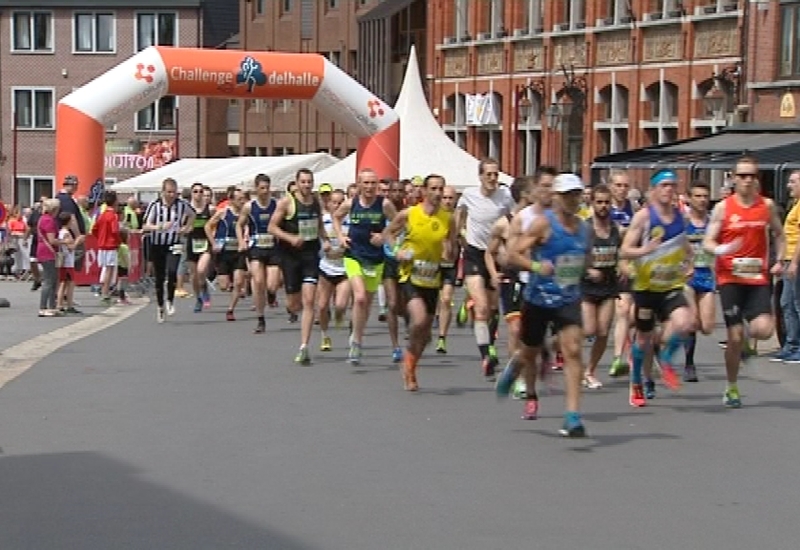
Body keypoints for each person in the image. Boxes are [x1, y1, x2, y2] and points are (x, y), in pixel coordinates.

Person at [506, 173, 589, 437]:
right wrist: (535, 266)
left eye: (576, 195)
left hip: (568, 298)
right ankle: (517, 365)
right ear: (556, 198)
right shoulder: (544, 224)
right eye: (567, 196)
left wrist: (586, 269)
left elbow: (585, 258)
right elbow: (513, 253)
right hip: (539, 298)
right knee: (530, 351)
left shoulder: (583, 228)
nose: (573, 200)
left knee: (573, 350)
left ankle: (572, 416)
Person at [708, 156, 784, 408]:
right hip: (729, 278)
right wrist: (722, 250)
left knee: (764, 330)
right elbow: (708, 241)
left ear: (757, 179)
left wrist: (780, 260)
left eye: (752, 175)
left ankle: (744, 344)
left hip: (757, 278)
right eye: (742, 176)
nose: (747, 180)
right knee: (735, 335)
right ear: (734, 178)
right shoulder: (723, 208)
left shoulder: (767, 206)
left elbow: (779, 234)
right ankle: (731, 386)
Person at [620, 169, 694, 407]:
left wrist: (689, 263)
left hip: (670, 285)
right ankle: (637, 383)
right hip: (645, 289)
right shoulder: (643, 217)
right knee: (643, 339)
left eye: (672, 185)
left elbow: (685, 246)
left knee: (685, 322)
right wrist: (645, 251)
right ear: (653, 190)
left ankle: (666, 359)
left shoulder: (681, 218)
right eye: (664, 185)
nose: (669, 190)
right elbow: (624, 250)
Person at [384, 174, 457, 391]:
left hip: (432, 278)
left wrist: (448, 253)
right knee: (419, 318)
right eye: (433, 188)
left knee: (424, 333)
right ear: (424, 191)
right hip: (410, 275)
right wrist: (398, 251)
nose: (437, 193)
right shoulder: (410, 214)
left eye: (440, 189)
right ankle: (410, 352)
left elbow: (451, 248)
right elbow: (389, 233)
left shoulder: (448, 218)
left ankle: (410, 364)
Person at [456, 158, 515, 380]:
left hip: (498, 254)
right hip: (474, 252)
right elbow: (459, 217)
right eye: (488, 174)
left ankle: (489, 341)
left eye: (495, 174)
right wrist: (458, 236)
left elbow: (515, 218)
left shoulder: (505, 196)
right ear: (480, 176)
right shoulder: (469, 195)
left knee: (492, 308)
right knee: (481, 308)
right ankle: (486, 355)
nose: (492, 179)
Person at [333, 168, 398, 365]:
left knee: (366, 303)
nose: (370, 187)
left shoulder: (384, 204)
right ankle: (356, 343)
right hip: (353, 256)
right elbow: (336, 217)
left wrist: (384, 235)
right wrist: (340, 236)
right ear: (359, 184)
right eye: (366, 183)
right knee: (359, 297)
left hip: (375, 259)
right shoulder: (351, 203)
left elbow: (399, 222)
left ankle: (357, 336)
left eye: (373, 183)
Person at [269, 168, 329, 365]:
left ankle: (304, 346)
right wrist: (290, 238)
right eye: (303, 182)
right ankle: (295, 310)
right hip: (290, 256)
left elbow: (319, 222)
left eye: (309, 181)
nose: (307, 185)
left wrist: (326, 240)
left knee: (310, 300)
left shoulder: (316, 201)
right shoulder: (287, 202)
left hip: (310, 255)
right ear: (296, 183)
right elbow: (272, 227)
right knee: (295, 304)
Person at [485, 177, 531, 389]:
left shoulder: (540, 221)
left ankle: (522, 367)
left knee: (530, 333)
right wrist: (494, 274)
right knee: (514, 329)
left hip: (534, 279)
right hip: (511, 279)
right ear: (524, 195)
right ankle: (518, 378)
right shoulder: (504, 222)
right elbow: (489, 252)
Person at [581, 184, 621, 389]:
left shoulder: (616, 229)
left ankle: (589, 371)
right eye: (599, 202)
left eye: (607, 202)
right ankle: (561, 345)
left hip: (608, 286)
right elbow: (573, 259)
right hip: (587, 287)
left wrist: (624, 265)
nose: (603, 206)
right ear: (592, 203)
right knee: (589, 329)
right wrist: (589, 271)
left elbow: (622, 254)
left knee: (603, 331)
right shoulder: (584, 229)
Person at [142, 178, 195, 323]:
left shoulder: (182, 205)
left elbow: (193, 214)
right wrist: (159, 227)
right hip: (158, 244)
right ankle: (160, 306)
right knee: (159, 277)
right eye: (169, 192)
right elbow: (146, 225)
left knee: (172, 271)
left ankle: (170, 300)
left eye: (174, 192)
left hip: (174, 243)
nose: (172, 195)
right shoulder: (155, 205)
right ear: (163, 192)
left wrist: (186, 227)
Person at [238, 174, 282, 333]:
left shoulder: (276, 205)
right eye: (262, 188)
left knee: (272, 284)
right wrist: (241, 241)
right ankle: (260, 318)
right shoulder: (249, 207)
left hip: (273, 246)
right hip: (256, 246)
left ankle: (271, 294)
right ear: (256, 189)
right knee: (258, 282)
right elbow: (239, 225)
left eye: (267, 188)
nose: (265, 191)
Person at [683, 181, 716, 381]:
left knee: (708, 326)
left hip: (707, 275)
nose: (703, 200)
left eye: (705, 196)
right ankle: (689, 364)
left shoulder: (713, 222)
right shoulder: (682, 222)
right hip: (687, 277)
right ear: (688, 198)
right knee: (692, 322)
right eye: (698, 196)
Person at [608, 169, 639, 378]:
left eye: (625, 186)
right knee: (622, 311)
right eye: (618, 185)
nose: (622, 190)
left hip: (631, 265)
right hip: (610, 264)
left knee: (633, 314)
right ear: (610, 186)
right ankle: (618, 357)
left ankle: (632, 354)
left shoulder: (634, 208)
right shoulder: (603, 207)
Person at [770, 170, 800, 363]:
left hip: (795, 260)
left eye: (793, 182)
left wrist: (794, 262)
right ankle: (791, 344)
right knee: (786, 303)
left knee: (795, 303)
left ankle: (796, 345)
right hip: (789, 259)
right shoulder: (795, 205)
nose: (789, 185)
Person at [317, 189, 351, 351]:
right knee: (322, 306)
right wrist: (324, 242)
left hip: (344, 268)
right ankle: (325, 336)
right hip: (326, 267)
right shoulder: (323, 221)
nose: (337, 206)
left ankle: (344, 319)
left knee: (340, 305)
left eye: (340, 202)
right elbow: (316, 237)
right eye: (334, 202)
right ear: (328, 204)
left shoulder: (350, 222)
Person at [378, 179, 407, 362]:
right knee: (392, 302)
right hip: (388, 259)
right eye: (393, 191)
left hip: (407, 262)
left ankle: (410, 320)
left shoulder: (410, 213)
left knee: (405, 305)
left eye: (399, 191)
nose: (396, 194)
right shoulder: (382, 213)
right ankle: (395, 345)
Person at [208, 188, 248, 321]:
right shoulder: (223, 212)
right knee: (224, 286)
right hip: (224, 252)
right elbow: (207, 226)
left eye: (243, 199)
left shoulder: (246, 214)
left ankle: (230, 309)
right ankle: (229, 284)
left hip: (238, 251)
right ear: (231, 200)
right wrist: (213, 243)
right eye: (239, 199)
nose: (242, 202)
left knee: (238, 282)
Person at [435, 185, 460, 353]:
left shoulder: (459, 216)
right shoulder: (433, 215)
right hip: (432, 263)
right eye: (445, 198)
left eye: (450, 198)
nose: (447, 201)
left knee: (446, 299)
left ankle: (442, 338)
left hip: (451, 263)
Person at [186, 182, 214, 312]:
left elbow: (216, 223)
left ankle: (204, 287)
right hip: (191, 243)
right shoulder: (186, 209)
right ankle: (198, 298)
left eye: (200, 191)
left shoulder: (210, 209)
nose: (198, 194)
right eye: (195, 191)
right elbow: (181, 225)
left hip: (205, 243)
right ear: (191, 194)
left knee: (201, 270)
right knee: (193, 275)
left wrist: (214, 238)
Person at [92, 190, 121, 305]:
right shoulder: (113, 215)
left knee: (104, 268)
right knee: (109, 269)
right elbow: (115, 231)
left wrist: (99, 238)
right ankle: (105, 293)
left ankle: (104, 291)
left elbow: (94, 229)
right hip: (110, 245)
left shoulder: (102, 215)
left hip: (102, 245)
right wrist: (118, 242)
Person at [36, 199, 63, 317]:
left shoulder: (43, 218)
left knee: (53, 279)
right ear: (54, 209)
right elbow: (52, 240)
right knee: (49, 280)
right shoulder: (49, 221)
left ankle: (52, 306)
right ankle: (43, 307)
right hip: (48, 252)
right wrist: (65, 242)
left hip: (43, 250)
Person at [56, 212, 78, 314]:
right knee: (67, 283)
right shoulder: (66, 233)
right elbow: (70, 247)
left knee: (64, 283)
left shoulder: (61, 232)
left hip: (64, 261)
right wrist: (78, 241)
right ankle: (66, 304)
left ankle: (61, 304)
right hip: (67, 261)